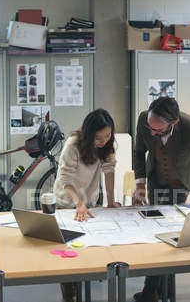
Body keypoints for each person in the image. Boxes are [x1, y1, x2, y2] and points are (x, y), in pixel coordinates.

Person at [132, 96, 190, 302]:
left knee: (173, 235)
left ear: (173, 123)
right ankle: (154, 290)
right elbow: (139, 151)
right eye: (150, 128)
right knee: (155, 233)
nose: (152, 132)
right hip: (156, 181)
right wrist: (139, 184)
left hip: (181, 185)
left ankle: (157, 291)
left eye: (157, 130)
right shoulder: (143, 121)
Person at [53, 108, 119, 302]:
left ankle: (81, 283)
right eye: (99, 138)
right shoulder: (73, 145)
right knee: (69, 250)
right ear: (88, 134)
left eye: (108, 136)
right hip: (66, 201)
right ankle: (69, 293)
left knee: (87, 246)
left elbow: (109, 171)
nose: (104, 141)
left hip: (89, 201)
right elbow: (65, 179)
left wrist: (110, 201)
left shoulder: (107, 145)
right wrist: (78, 203)